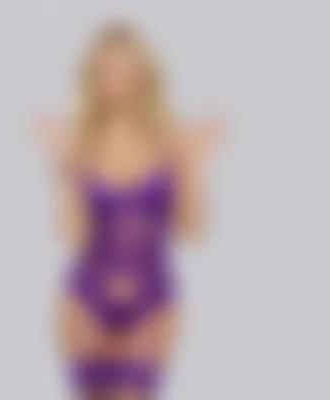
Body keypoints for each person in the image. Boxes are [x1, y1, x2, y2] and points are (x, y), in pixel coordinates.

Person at [37, 20, 222, 400]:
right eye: (106, 71)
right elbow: (72, 235)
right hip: (85, 300)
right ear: (91, 78)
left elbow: (192, 232)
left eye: (126, 71)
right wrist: (66, 168)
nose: (116, 81)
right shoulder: (80, 143)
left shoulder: (170, 141)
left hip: (152, 299)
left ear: (145, 76)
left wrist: (193, 166)